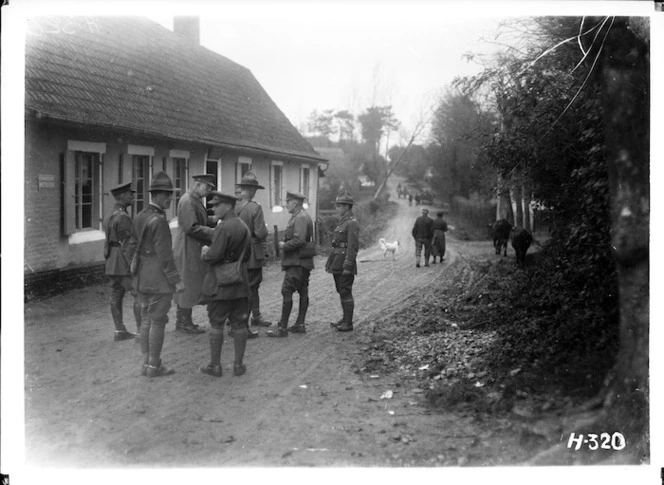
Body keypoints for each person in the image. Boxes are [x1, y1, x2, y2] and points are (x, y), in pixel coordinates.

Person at [131, 171, 182, 378]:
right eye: (167, 195)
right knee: (158, 320)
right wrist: (176, 281)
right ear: (158, 196)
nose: (170, 198)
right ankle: (154, 366)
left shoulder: (140, 216)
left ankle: (146, 363)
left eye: (170, 194)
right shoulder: (160, 221)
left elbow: (131, 246)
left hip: (142, 276)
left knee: (145, 319)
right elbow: (165, 256)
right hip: (159, 279)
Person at [199, 191, 251, 377]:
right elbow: (249, 256)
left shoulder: (223, 228)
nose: (213, 209)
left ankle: (215, 365)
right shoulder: (244, 226)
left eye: (216, 205)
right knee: (240, 323)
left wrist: (206, 252)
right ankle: (238, 364)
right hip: (240, 282)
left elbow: (214, 256)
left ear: (228, 206)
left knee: (216, 322)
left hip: (220, 283)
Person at [173, 174, 216, 335]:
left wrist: (214, 219)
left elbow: (200, 220)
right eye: (207, 187)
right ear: (198, 185)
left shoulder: (193, 200)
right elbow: (191, 227)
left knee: (189, 282)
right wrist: (213, 232)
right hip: (187, 248)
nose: (209, 191)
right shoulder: (187, 201)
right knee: (188, 283)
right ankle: (184, 322)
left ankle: (183, 320)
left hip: (191, 247)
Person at [267, 191, 314, 337]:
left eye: (288, 201)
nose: (286, 204)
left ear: (295, 203)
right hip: (302, 261)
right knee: (302, 291)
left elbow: (299, 240)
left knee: (287, 290)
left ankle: (283, 328)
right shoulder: (302, 216)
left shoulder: (300, 218)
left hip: (296, 261)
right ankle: (299, 324)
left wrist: (283, 245)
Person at [103, 182, 141, 341]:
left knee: (116, 294)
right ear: (122, 196)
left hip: (112, 260)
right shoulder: (123, 216)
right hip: (123, 261)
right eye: (130, 194)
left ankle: (119, 330)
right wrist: (134, 264)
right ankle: (141, 332)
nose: (133, 197)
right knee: (139, 294)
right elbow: (128, 244)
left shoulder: (110, 213)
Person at [235, 171, 271, 332]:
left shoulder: (233, 205)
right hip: (252, 254)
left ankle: (243, 317)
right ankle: (248, 321)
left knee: (238, 286)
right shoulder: (255, 208)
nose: (255, 191)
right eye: (255, 189)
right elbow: (260, 232)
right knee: (252, 286)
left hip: (236, 252)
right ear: (251, 189)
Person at [326, 191, 360, 332]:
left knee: (345, 290)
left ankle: (348, 323)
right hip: (337, 261)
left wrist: (348, 265)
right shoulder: (343, 221)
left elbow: (352, 246)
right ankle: (345, 319)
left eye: (339, 206)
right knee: (341, 290)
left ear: (346, 207)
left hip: (344, 262)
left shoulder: (352, 223)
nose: (337, 208)